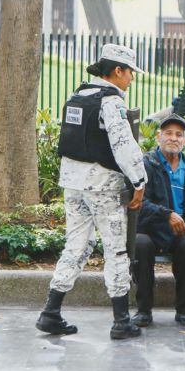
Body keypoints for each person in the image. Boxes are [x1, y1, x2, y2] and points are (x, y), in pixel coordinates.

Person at [36, 44, 148, 340]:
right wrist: (139, 181)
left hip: (72, 184)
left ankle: (51, 312)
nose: (131, 79)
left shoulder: (77, 96)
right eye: (129, 73)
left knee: (76, 246)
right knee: (116, 249)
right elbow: (124, 146)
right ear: (117, 71)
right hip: (103, 187)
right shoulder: (110, 103)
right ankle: (121, 321)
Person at [131, 113, 185, 328]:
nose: (173, 138)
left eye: (179, 134)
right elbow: (138, 202)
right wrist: (166, 214)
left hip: (180, 231)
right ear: (158, 137)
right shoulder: (145, 163)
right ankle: (143, 310)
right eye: (168, 133)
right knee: (141, 245)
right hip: (149, 228)